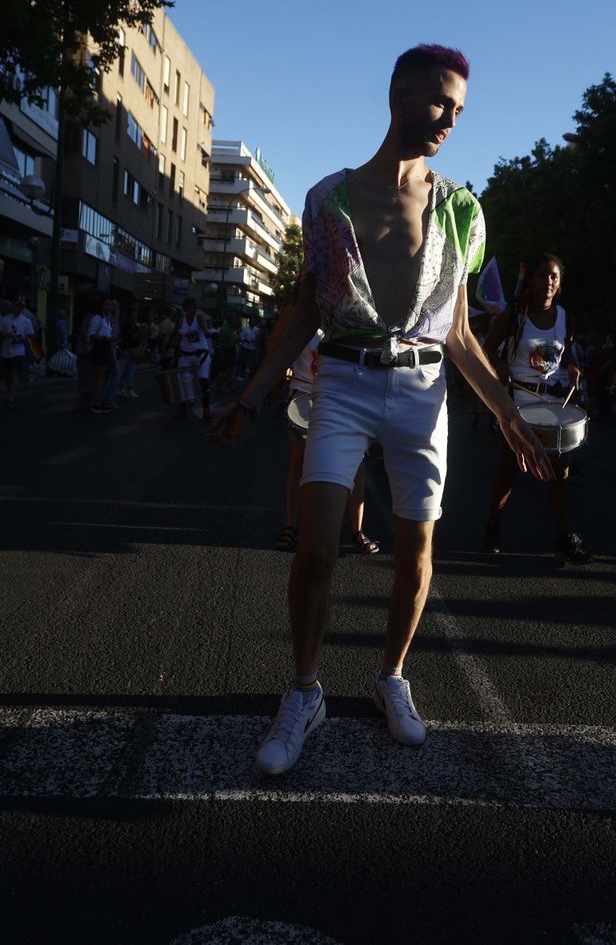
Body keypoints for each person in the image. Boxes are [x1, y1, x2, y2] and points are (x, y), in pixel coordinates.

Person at [208, 43, 552, 777]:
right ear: (397, 96)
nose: (448, 119)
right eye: (437, 102)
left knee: (416, 554)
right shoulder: (329, 200)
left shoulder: (462, 208)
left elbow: (459, 332)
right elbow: (304, 314)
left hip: (424, 393)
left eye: (458, 109)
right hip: (344, 380)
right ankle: (305, 692)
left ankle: (392, 676)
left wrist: (506, 409)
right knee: (316, 548)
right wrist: (249, 393)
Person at [481, 251, 593, 564]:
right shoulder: (515, 315)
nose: (548, 281)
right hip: (519, 403)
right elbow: (487, 348)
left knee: (561, 475)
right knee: (508, 470)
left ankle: (564, 538)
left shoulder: (564, 317)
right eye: (542, 275)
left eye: (554, 276)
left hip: (555, 405)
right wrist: (499, 364)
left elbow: (565, 355)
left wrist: (572, 368)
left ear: (560, 284)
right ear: (530, 280)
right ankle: (494, 525)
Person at [276, 332, 378, 555]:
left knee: (356, 465)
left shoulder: (348, 319)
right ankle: (291, 525)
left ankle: (357, 530)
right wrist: (287, 366)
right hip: (304, 396)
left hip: (342, 398)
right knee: (299, 462)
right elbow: (282, 345)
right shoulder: (306, 315)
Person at [170, 297, 213, 420]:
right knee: (182, 382)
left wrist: (209, 332)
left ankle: (206, 411)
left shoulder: (199, 318)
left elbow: (205, 329)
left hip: (201, 355)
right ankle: (182, 409)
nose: (189, 309)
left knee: (203, 381)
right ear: (184, 308)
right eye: (187, 307)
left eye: (192, 307)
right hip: (185, 355)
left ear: (195, 307)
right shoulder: (180, 320)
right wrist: (168, 348)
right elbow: (174, 335)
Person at [0, 294, 35, 411]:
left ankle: (11, 399)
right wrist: (5, 335)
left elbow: (31, 336)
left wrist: (21, 339)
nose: (20, 308)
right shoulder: (5, 319)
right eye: (18, 305)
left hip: (19, 352)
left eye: (22, 306)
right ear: (13, 306)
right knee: (8, 376)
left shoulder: (26, 321)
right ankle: (11, 392)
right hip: (6, 351)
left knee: (14, 373)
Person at [116, 308, 143, 398]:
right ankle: (129, 388)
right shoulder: (127, 325)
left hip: (133, 347)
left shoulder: (133, 324)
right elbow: (130, 337)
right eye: (133, 314)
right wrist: (139, 332)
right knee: (130, 369)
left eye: (136, 314)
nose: (135, 316)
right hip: (129, 348)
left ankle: (121, 387)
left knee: (127, 369)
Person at [237, 317, 261, 382]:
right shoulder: (245, 329)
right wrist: (245, 340)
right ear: (249, 322)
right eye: (251, 321)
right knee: (244, 361)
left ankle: (251, 377)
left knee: (252, 362)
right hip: (245, 347)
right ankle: (241, 375)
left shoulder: (257, 329)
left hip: (253, 348)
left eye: (253, 321)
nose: (252, 322)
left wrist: (255, 341)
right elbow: (241, 337)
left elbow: (259, 338)